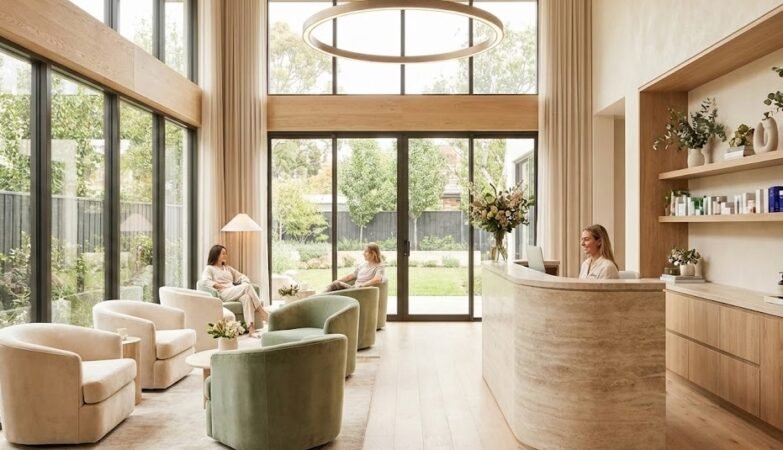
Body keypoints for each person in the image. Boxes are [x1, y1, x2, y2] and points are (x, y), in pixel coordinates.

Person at [201, 244, 268, 334]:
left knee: (247, 297)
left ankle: (251, 328)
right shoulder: (209, 268)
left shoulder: (228, 268)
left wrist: (244, 282)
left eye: (226, 253)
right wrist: (218, 285)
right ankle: (262, 311)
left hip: (233, 291)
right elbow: (204, 281)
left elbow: (242, 277)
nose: (225, 255)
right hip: (223, 294)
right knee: (247, 287)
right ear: (216, 255)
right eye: (223, 253)